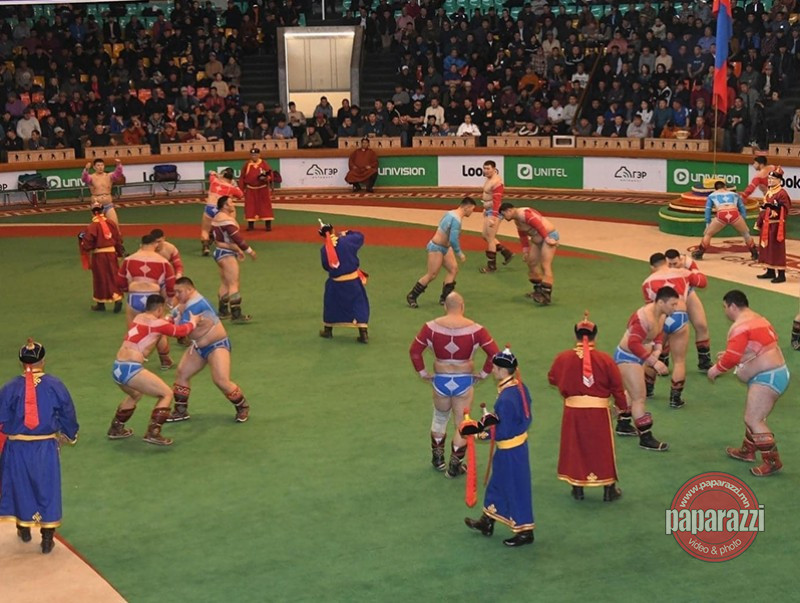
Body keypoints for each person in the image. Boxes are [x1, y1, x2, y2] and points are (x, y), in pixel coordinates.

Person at [0, 339, 79, 554]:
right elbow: (67, 413)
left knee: (20, 486)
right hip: (45, 447)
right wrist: (69, 435)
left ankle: (23, 528)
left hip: (17, 448)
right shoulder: (55, 385)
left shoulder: (9, 388)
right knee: (47, 488)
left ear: (21, 362)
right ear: (43, 361)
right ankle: (46, 538)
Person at [409, 292, 499, 476]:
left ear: (445, 306)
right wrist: (483, 373)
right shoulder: (476, 329)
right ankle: (455, 465)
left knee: (440, 418)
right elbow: (494, 354)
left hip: (440, 380)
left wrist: (423, 373)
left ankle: (438, 459)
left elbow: (414, 351)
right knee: (462, 423)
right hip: (463, 380)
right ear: (462, 306)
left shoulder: (430, 327)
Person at [708, 290, 789, 476]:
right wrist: (737, 355)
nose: (725, 311)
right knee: (756, 414)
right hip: (776, 372)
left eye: (724, 307)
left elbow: (731, 358)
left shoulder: (740, 327)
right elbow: (762, 346)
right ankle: (747, 451)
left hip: (767, 377)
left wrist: (716, 370)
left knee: (753, 419)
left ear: (732, 306)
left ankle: (772, 462)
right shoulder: (760, 319)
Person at [547, 312, 625, 502]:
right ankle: (608, 489)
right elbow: (617, 386)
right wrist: (622, 406)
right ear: (595, 336)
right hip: (599, 411)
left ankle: (578, 488)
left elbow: (552, 378)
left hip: (573, 411)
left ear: (575, 335)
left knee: (575, 447)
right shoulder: (605, 359)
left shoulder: (563, 358)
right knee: (602, 448)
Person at [464, 346, 534, 548]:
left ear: (502, 371)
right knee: (498, 483)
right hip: (516, 448)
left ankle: (525, 531)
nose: (492, 370)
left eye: (494, 367)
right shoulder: (519, 387)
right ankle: (488, 520)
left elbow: (502, 431)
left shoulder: (505, 398)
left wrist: (479, 432)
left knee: (515, 488)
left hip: (509, 451)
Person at [107, 295, 199, 446]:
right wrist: (193, 321)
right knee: (166, 394)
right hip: (131, 368)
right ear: (160, 309)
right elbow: (180, 332)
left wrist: (171, 316)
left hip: (118, 367)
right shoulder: (157, 324)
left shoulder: (139, 318)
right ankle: (153, 432)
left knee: (135, 394)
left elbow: (160, 324)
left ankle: (116, 428)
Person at [167, 277, 250, 423]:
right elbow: (175, 312)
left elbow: (182, 331)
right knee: (182, 373)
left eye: (179, 292)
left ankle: (242, 406)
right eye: (175, 292)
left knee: (221, 380)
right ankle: (180, 411)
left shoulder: (196, 305)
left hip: (216, 345)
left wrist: (162, 326)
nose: (177, 295)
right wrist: (169, 317)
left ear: (189, 290)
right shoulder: (187, 301)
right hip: (199, 347)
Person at [614, 286, 680, 451]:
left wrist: (657, 349)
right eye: (672, 304)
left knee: (632, 393)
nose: (675, 308)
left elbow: (658, 333)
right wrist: (654, 362)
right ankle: (645, 438)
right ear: (661, 303)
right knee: (639, 397)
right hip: (628, 358)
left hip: (637, 357)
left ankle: (623, 423)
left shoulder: (661, 315)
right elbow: (633, 343)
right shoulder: (643, 318)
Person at [641, 253, 708, 407]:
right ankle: (675, 399)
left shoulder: (647, 282)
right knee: (679, 361)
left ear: (652, 267)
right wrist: (691, 265)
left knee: (653, 355)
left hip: (660, 319)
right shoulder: (683, 273)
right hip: (679, 317)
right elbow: (703, 282)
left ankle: (648, 390)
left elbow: (650, 308)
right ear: (666, 261)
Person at [116, 234, 177, 369]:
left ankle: (132, 361)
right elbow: (170, 284)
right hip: (153, 297)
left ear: (141, 245)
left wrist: (127, 290)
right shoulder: (163, 262)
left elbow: (120, 280)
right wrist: (168, 299)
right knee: (159, 330)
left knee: (134, 331)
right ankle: (165, 360)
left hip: (134, 297)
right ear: (156, 245)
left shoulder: (129, 260)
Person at [406, 197, 477, 308]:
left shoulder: (450, 213)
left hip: (445, 247)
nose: (472, 212)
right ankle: (412, 295)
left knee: (453, 269)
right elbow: (453, 239)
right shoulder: (456, 220)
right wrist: (459, 253)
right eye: (472, 209)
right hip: (437, 247)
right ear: (467, 207)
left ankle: (445, 298)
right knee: (432, 274)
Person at [498, 202, 559, 305]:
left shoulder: (523, 214)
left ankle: (546, 295)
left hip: (549, 236)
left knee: (545, 265)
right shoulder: (517, 220)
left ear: (509, 210)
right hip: (538, 239)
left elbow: (538, 225)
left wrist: (547, 239)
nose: (504, 217)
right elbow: (522, 235)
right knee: (531, 263)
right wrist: (526, 251)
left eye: (504, 214)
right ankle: (538, 290)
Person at [318, 222, 370, 343]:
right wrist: (346, 233)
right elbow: (360, 236)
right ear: (333, 230)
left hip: (336, 283)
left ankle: (328, 330)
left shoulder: (324, 250)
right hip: (353, 281)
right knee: (359, 304)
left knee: (331, 304)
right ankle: (363, 333)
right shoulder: (347, 241)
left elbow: (326, 266)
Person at [664, 249, 713, 371]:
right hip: (668, 296)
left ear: (681, 260)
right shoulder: (661, 267)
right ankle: (662, 359)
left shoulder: (688, 262)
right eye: (669, 264)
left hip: (687, 291)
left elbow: (702, 281)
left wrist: (690, 271)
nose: (672, 267)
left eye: (675, 264)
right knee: (664, 329)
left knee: (701, 325)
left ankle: (704, 360)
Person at [211, 195, 257, 321]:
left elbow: (215, 238)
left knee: (225, 283)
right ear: (225, 206)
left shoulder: (216, 218)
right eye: (231, 203)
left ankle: (223, 311)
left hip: (219, 252)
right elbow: (238, 238)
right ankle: (236, 314)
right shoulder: (226, 220)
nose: (233, 205)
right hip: (227, 254)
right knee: (233, 283)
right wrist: (249, 251)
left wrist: (236, 250)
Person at [691, 181, 758, 261]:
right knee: (745, 233)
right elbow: (742, 207)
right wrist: (742, 219)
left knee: (708, 234)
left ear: (715, 189)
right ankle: (754, 253)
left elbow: (708, 210)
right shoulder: (735, 194)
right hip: (734, 213)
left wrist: (708, 223)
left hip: (721, 214)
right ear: (725, 187)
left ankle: (699, 253)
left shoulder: (712, 195)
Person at [79, 203, 124, 312]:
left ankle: (100, 303)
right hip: (112, 253)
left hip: (99, 255)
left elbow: (88, 243)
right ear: (103, 211)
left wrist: (82, 241)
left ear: (92, 212)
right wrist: (119, 253)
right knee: (113, 276)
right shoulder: (111, 223)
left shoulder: (92, 226)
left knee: (100, 278)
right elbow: (118, 239)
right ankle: (117, 298)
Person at [755, 167, 791, 283]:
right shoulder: (769, 191)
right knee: (767, 248)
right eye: (769, 178)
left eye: (772, 179)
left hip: (776, 226)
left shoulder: (782, 193)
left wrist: (772, 210)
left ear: (779, 180)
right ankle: (770, 271)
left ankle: (781, 274)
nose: (770, 180)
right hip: (767, 224)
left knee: (777, 249)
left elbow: (785, 208)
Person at [478, 160, 514, 273]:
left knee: (490, 238)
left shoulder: (497, 182)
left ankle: (491, 266)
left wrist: (494, 217)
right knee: (485, 235)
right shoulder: (488, 179)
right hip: (489, 210)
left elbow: (497, 201)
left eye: (488, 168)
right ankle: (506, 252)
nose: (486, 171)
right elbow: (488, 196)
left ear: (494, 169)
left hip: (495, 211)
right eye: (484, 168)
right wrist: (485, 208)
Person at [202, 169, 244, 256]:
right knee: (234, 226)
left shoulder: (214, 180)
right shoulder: (231, 187)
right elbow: (240, 195)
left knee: (205, 230)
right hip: (220, 210)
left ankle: (206, 247)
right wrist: (235, 185)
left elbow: (208, 173)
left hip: (209, 208)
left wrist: (213, 173)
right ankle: (232, 246)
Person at [239, 148, 274, 231]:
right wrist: (241, 189)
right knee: (250, 207)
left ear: (259, 155)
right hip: (250, 189)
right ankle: (250, 225)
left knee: (265, 206)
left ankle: (268, 225)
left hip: (262, 189)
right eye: (252, 155)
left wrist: (266, 178)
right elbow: (242, 177)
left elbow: (270, 175)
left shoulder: (264, 164)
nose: (254, 156)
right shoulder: (247, 164)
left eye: (255, 155)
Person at [81, 158, 124, 226]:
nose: (100, 167)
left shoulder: (109, 176)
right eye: (98, 165)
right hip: (97, 206)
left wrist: (119, 165)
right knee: (99, 227)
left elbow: (117, 174)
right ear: (94, 167)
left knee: (114, 225)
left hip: (108, 205)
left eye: (102, 165)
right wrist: (86, 170)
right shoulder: (91, 177)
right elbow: (84, 178)